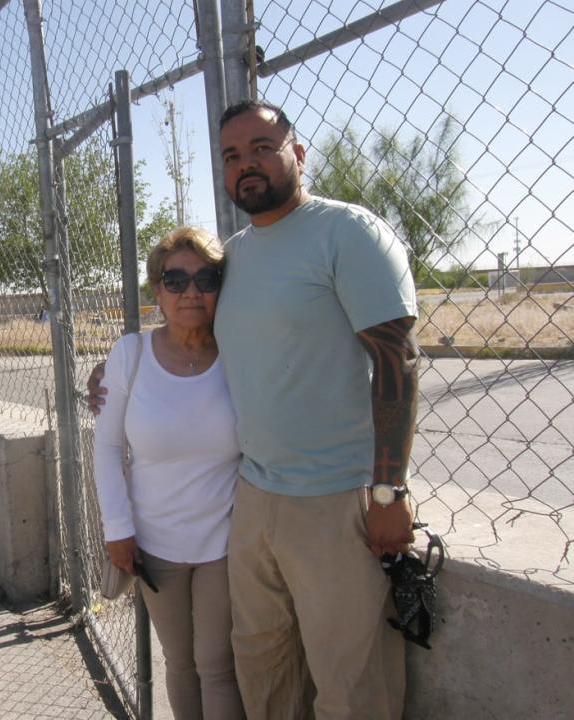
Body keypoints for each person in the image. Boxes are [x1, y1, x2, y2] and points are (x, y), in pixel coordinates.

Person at [90, 100, 419, 720]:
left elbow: (399, 361)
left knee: (349, 681)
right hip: (254, 499)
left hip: (334, 497)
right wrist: (117, 370)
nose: (247, 165)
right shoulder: (233, 258)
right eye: (232, 156)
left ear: (297, 153)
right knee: (263, 671)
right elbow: (200, 338)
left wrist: (387, 491)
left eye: (263, 148)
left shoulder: (347, 232)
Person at [93, 226, 245, 720]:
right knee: (180, 662)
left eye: (206, 278)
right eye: (175, 280)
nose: (192, 292)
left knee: (216, 664)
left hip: (224, 542)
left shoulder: (241, 356)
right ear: (156, 290)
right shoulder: (130, 355)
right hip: (154, 544)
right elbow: (108, 445)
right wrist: (118, 531)